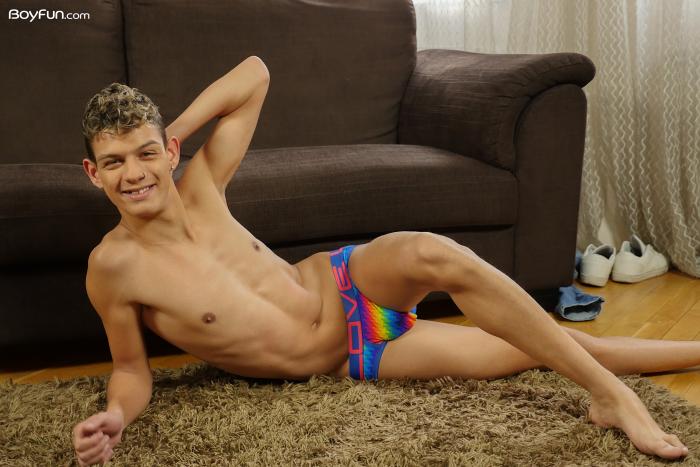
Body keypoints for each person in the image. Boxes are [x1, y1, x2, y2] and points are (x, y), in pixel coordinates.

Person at [72, 56, 694, 466]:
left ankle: (613, 397)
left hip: (347, 279)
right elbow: (131, 369)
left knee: (430, 251)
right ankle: (641, 374)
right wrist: (116, 414)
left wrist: (171, 138)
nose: (135, 174)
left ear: (168, 151)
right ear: (93, 174)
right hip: (353, 356)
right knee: (539, 347)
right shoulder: (115, 268)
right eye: (115, 163)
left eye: (145, 154)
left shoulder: (201, 184)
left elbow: (254, 74)